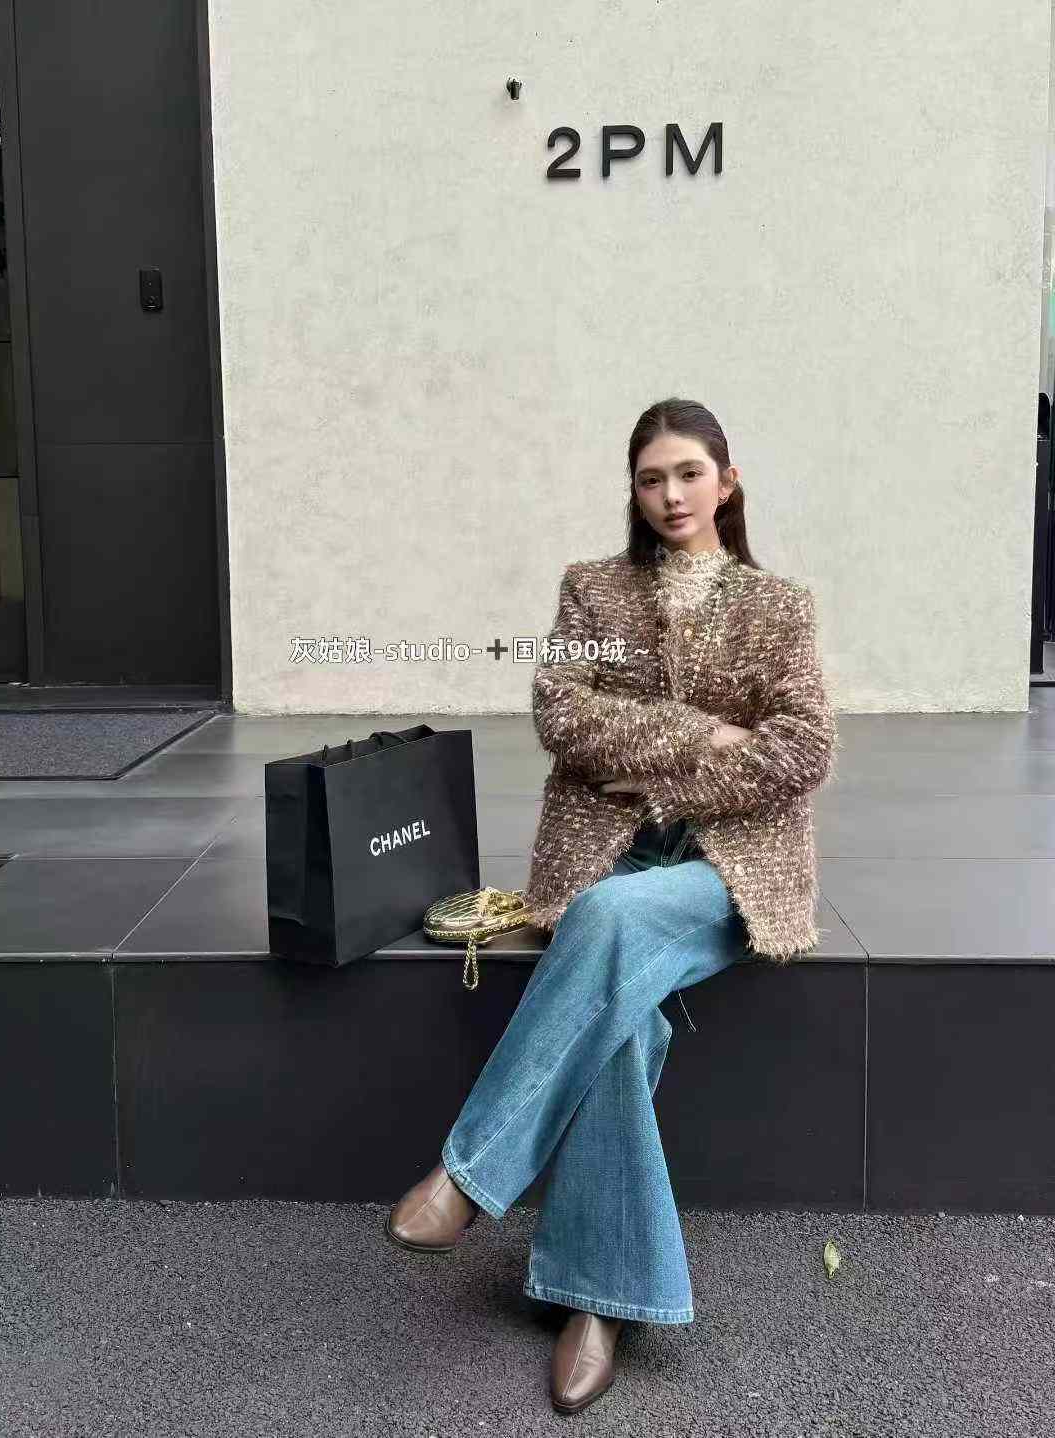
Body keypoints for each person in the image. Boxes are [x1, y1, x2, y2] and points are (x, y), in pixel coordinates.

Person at [385, 397, 839, 1415]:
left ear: (727, 481)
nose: (671, 494)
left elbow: (802, 748)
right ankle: (599, 1300)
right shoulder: (595, 592)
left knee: (609, 921)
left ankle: (469, 1174)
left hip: (727, 866)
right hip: (608, 850)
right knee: (623, 1025)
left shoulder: (780, 606)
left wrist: (666, 769)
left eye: (689, 473)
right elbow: (563, 714)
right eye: (650, 478)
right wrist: (702, 734)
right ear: (633, 492)